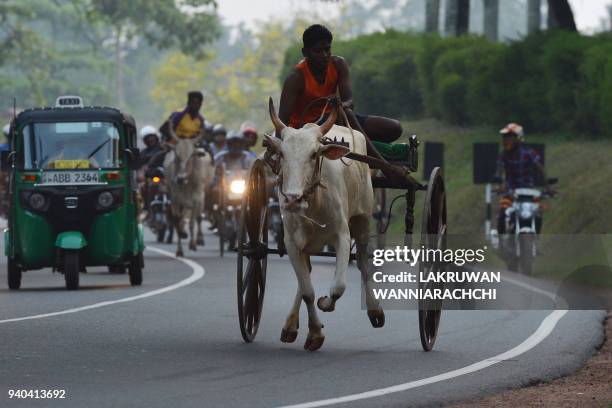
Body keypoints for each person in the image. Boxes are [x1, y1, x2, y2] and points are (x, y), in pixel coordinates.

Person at [278, 24, 402, 145]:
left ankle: (363, 148)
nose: (324, 55)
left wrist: (340, 104)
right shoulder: (296, 78)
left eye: (327, 49)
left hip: (336, 120)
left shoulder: (339, 65)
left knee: (394, 128)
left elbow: (349, 102)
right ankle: (371, 154)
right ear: (305, 52)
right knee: (346, 115)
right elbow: (282, 121)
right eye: (318, 51)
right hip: (307, 130)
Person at [495, 123, 549, 234]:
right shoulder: (503, 155)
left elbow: (540, 169)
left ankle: (535, 241)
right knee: (502, 214)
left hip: (529, 192)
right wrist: (500, 185)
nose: (506, 140)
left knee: (538, 213)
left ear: (518, 138)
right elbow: (499, 172)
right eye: (505, 137)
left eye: (509, 137)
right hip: (511, 192)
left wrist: (548, 187)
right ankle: (502, 243)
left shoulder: (528, 153)